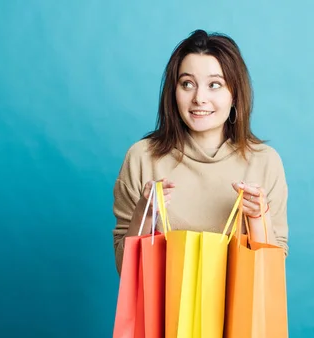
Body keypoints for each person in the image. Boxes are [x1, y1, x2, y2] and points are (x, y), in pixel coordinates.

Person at [112, 29, 289, 274]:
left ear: (234, 94)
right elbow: (125, 269)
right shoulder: (142, 158)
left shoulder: (265, 162)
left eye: (214, 85)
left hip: (237, 313)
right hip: (164, 312)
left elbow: (272, 274)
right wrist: (146, 211)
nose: (199, 98)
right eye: (187, 84)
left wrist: (259, 217)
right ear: (173, 92)